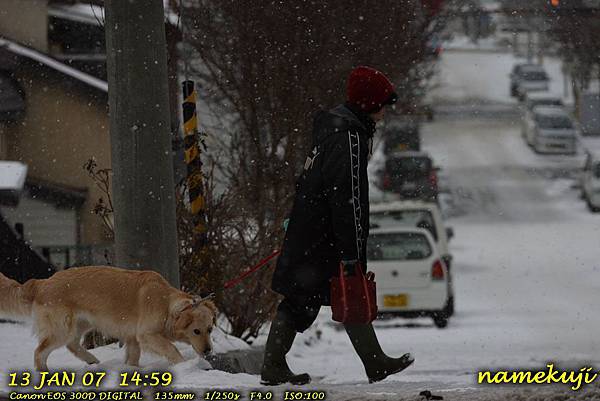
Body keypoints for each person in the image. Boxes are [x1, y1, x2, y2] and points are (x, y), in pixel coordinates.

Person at [261, 66, 414, 386]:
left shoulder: (334, 130)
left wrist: (299, 219)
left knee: (319, 296)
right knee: (337, 292)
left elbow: (309, 181)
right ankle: (275, 365)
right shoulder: (349, 137)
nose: (385, 112)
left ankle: (373, 362)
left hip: (312, 230)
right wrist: (352, 249)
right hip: (325, 235)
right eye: (383, 104)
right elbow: (348, 197)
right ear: (370, 103)